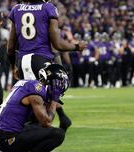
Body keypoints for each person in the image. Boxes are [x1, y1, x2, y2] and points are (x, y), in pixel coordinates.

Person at [7, 0, 86, 133]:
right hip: (41, 60)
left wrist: (13, 66)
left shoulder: (16, 9)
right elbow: (57, 44)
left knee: (29, 104)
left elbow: (10, 47)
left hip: (23, 61)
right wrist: (77, 47)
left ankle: (26, 143)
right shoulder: (48, 8)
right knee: (43, 106)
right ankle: (34, 146)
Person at [0, 63, 69, 152]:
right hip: (9, 140)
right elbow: (47, 122)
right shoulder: (36, 91)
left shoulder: (29, 85)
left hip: (3, 134)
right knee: (58, 134)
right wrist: (54, 99)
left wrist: (54, 104)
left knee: (36, 122)